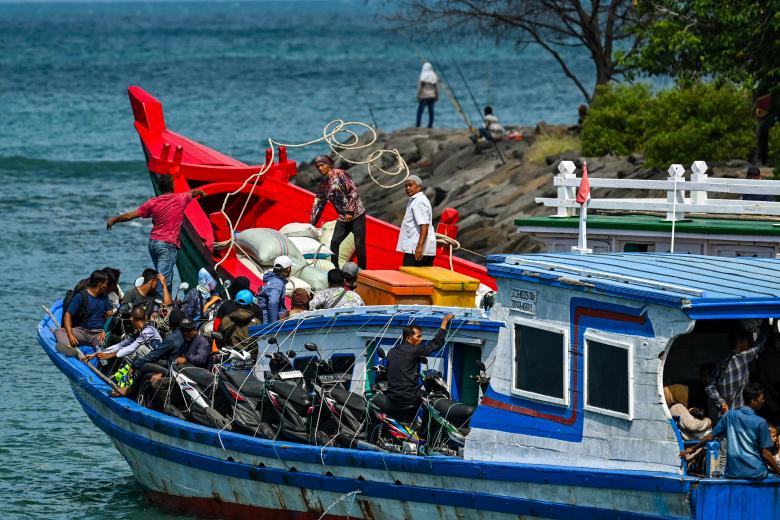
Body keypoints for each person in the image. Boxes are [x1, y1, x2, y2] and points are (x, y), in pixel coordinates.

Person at [105, 173, 206, 295]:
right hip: (167, 245)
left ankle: (166, 304)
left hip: (153, 243)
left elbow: (130, 215)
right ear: (173, 186)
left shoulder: (152, 203)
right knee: (163, 280)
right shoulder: (180, 198)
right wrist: (201, 192)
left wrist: (114, 219)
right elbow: (193, 192)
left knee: (164, 276)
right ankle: (159, 307)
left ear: (159, 187)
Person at [682, 383, 780, 480]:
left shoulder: (729, 415)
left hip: (733, 472)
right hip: (756, 473)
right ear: (753, 401)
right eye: (761, 399)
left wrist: (693, 448)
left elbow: (710, 436)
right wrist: (779, 471)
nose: (763, 401)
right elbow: (766, 454)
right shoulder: (761, 422)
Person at [386, 313, 454, 422]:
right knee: (430, 403)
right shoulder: (415, 350)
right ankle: (424, 433)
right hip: (409, 397)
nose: (421, 339)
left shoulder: (392, 351)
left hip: (392, 397)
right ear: (408, 338)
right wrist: (444, 322)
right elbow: (436, 344)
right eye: (418, 336)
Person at [309, 155, 367, 269]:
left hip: (356, 214)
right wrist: (311, 223)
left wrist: (350, 211)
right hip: (342, 218)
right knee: (334, 243)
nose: (320, 168)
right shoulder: (323, 185)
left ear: (329, 165)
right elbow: (319, 204)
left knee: (359, 244)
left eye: (322, 165)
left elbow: (353, 191)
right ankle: (335, 270)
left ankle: (363, 272)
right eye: (317, 167)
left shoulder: (340, 174)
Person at [706, 323, 770, 418]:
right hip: (739, 415)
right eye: (747, 341)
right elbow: (760, 343)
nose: (749, 344)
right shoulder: (742, 357)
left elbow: (710, 387)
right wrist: (765, 324)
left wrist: (722, 403)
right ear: (740, 343)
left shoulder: (721, 362)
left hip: (723, 416)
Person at [55, 270, 113, 355]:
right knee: (59, 332)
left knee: (108, 344)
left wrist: (105, 331)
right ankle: (69, 348)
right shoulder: (81, 296)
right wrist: (70, 335)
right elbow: (67, 315)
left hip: (98, 333)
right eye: (106, 283)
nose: (107, 286)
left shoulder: (105, 297)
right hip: (82, 331)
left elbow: (110, 315)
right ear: (100, 284)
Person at [84, 305, 161, 362]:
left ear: (131, 319)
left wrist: (112, 355)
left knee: (136, 350)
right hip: (148, 359)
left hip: (157, 360)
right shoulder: (138, 333)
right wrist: (97, 353)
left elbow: (131, 348)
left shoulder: (149, 331)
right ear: (146, 317)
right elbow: (120, 345)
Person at [396, 175, 437, 267]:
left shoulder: (418, 202)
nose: (408, 188)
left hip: (416, 249)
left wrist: (419, 247)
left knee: (408, 278)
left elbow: (424, 225)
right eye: (406, 186)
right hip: (418, 249)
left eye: (410, 185)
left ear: (419, 187)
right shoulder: (418, 200)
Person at [258, 256, 292, 323]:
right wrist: (274, 325)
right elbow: (273, 302)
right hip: (269, 323)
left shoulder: (272, 279)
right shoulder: (277, 283)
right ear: (288, 269)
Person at [416, 62, 438, 128]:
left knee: (420, 111)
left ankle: (418, 124)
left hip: (424, 96)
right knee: (431, 111)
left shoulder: (423, 75)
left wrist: (418, 94)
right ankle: (430, 125)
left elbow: (421, 87)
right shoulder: (434, 76)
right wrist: (437, 95)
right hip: (432, 96)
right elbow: (436, 87)